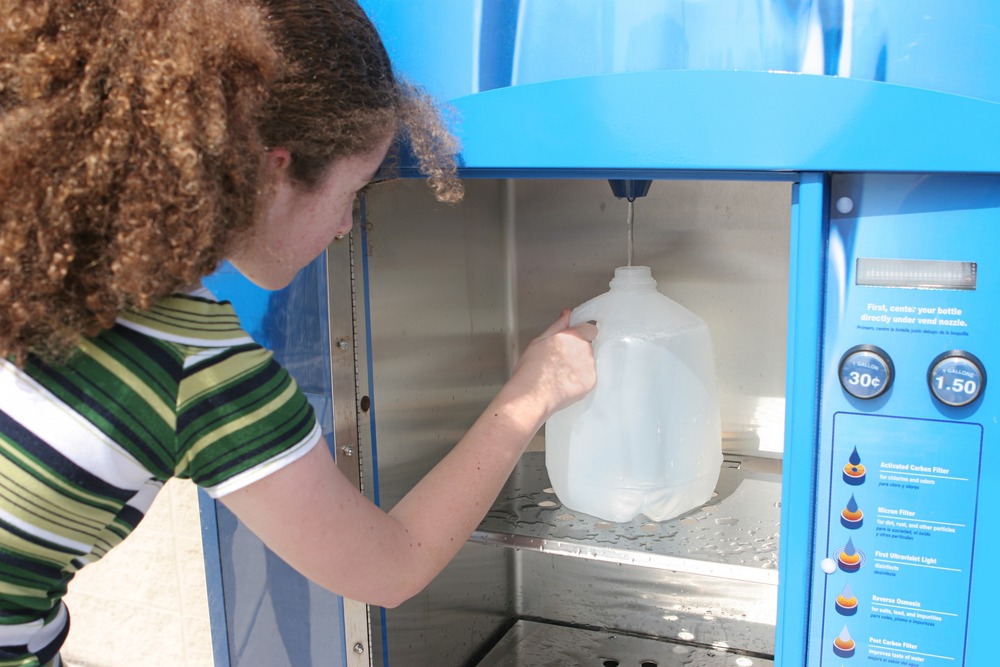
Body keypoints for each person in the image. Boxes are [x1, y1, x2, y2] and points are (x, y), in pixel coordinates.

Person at [0, 0, 597, 664]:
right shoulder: (191, 363)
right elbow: (393, 565)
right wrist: (532, 394)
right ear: (276, 172)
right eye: (352, 193)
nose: (346, 226)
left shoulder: (36, 236)